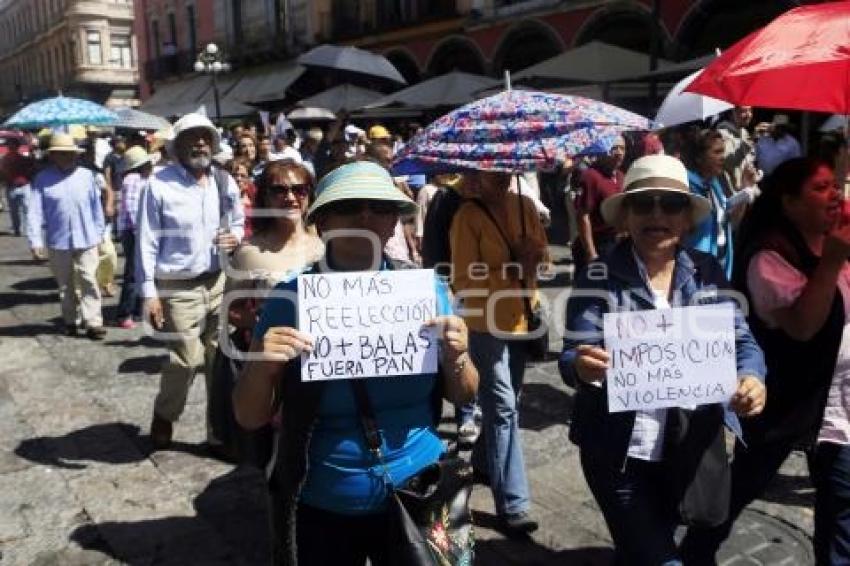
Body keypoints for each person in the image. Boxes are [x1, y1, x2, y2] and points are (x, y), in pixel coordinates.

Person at [233, 160, 478, 564]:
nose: (365, 216)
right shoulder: (289, 298)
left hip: (420, 490)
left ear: (395, 223)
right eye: (350, 206)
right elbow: (248, 415)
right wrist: (262, 364)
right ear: (323, 222)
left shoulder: (427, 290)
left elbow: (465, 391)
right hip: (323, 500)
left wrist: (458, 357)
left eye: (380, 207)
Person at [561, 154, 767, 565]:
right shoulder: (598, 276)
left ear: (687, 218)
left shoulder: (707, 272)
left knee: (636, 549)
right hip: (618, 451)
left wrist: (751, 377)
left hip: (685, 449)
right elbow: (572, 355)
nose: (657, 215)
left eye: (670, 204)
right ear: (626, 216)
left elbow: (743, 341)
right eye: (643, 203)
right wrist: (582, 366)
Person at [681, 158, 850, 565]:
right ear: (789, 201)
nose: (835, 195)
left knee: (842, 509)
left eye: (836, 185)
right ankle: (692, 555)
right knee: (738, 490)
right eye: (820, 187)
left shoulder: (834, 241)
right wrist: (832, 261)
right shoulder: (769, 256)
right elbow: (803, 327)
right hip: (783, 405)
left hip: (838, 406)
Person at [136, 113, 244, 451]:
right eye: (192, 137)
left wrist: (236, 236)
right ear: (177, 145)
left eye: (205, 137)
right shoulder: (158, 184)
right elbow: (146, 240)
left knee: (218, 361)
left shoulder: (224, 181)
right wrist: (149, 293)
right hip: (177, 286)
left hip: (218, 282)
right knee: (185, 360)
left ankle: (218, 432)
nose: (200, 143)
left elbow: (239, 221)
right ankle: (165, 414)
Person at [450, 170, 548, 535]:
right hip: (484, 321)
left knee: (507, 403)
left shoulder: (524, 204)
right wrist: (512, 266)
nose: (505, 179)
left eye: (507, 172)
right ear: (475, 175)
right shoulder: (467, 216)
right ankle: (514, 504)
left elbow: (544, 263)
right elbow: (462, 279)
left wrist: (535, 256)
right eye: (495, 174)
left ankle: (484, 464)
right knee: (503, 408)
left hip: (522, 317)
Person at [26, 133, 107, 339]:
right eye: (60, 153)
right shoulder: (42, 179)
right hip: (58, 239)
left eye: (69, 153)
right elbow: (34, 212)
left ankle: (93, 322)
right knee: (65, 284)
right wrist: (35, 241)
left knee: (89, 279)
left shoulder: (87, 176)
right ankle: (70, 320)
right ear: (52, 155)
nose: (66, 156)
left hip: (87, 237)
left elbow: (96, 209)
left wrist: (100, 235)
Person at [684, 129, 741, 280]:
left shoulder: (715, 183)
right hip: (695, 270)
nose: (723, 157)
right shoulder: (686, 187)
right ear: (699, 158)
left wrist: (744, 193)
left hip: (720, 264)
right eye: (717, 152)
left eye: (723, 151)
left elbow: (728, 221)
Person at [573, 136, 626, 274]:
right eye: (614, 148)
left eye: (623, 148)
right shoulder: (590, 176)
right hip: (597, 243)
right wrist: (591, 253)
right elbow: (582, 216)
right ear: (602, 151)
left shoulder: (621, 176)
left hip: (616, 244)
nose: (619, 152)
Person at [115, 146, 154, 329]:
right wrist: (141, 233)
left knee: (140, 271)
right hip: (133, 231)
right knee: (132, 272)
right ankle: (125, 313)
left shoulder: (142, 179)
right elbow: (132, 209)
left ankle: (137, 309)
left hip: (137, 231)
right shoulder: (133, 179)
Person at [717, 106, 759, 193]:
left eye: (750, 110)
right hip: (734, 193)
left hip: (748, 189)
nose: (748, 115)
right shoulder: (722, 134)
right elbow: (729, 163)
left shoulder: (744, 132)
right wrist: (751, 140)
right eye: (743, 111)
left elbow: (747, 161)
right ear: (731, 114)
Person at [2, 137, 35, 236]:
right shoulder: (4, 159)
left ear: (17, 147)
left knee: (28, 210)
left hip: (24, 186)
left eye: (13, 145)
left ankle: (29, 229)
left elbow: (32, 168)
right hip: (11, 187)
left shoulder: (23, 158)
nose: (11, 147)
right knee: (14, 211)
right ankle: (18, 230)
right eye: (9, 145)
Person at [225, 157, 257, 239]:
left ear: (249, 178)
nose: (238, 179)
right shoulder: (223, 197)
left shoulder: (254, 194)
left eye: (243, 176)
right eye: (234, 175)